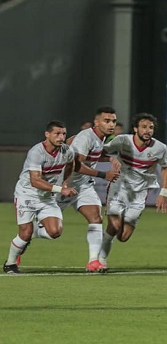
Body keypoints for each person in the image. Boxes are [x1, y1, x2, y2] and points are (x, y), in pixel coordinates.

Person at [3, 120, 79, 274]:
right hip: (26, 194)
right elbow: (35, 181)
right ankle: (10, 264)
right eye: (57, 133)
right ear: (47, 134)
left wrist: (65, 181)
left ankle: (32, 233)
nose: (61, 137)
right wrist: (60, 189)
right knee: (24, 233)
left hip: (46, 196)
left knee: (55, 232)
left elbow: (71, 163)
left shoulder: (66, 151)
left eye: (63, 133)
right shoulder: (36, 152)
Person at [98, 113, 167, 271]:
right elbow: (101, 151)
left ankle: (117, 223)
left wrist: (163, 193)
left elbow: (166, 168)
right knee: (114, 225)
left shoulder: (160, 148)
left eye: (150, 128)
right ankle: (101, 259)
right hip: (119, 188)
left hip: (139, 194)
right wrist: (110, 158)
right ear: (135, 128)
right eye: (144, 127)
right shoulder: (123, 141)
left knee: (123, 237)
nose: (147, 130)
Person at [55, 106, 121, 272]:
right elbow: (76, 165)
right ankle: (23, 240)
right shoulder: (86, 137)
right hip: (63, 185)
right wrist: (103, 174)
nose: (111, 124)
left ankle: (93, 262)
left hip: (83, 186)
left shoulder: (101, 138)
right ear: (96, 122)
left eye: (113, 121)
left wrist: (109, 157)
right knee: (49, 230)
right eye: (107, 121)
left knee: (96, 218)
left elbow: (95, 154)